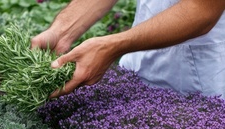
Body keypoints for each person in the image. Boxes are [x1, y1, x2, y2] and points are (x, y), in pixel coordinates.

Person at [31, 0, 225, 99]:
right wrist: (62, 32)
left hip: (199, 77)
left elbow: (203, 9)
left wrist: (113, 46)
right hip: (136, 64)